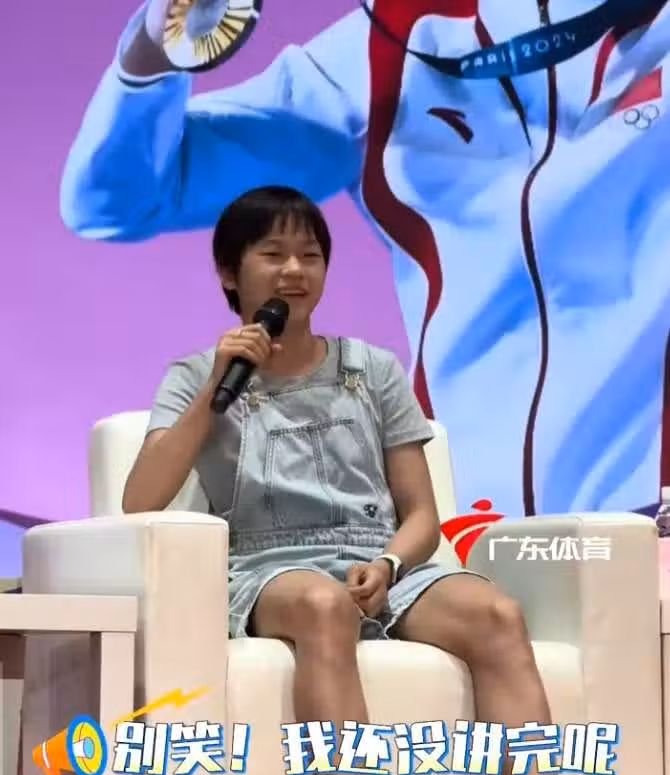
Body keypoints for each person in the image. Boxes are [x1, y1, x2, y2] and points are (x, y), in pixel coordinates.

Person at [122, 184, 640, 775]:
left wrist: (393, 563)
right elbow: (140, 499)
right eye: (273, 254)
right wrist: (214, 389)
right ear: (231, 274)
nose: (294, 270)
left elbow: (422, 512)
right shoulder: (195, 378)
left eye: (310, 254)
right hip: (270, 564)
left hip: (385, 557)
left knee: (495, 615)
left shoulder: (373, 369)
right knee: (322, 605)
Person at [61, 0, 670, 520]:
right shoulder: (394, 44)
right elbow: (118, 197)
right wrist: (158, 44)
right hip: (466, 523)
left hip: (652, 512)